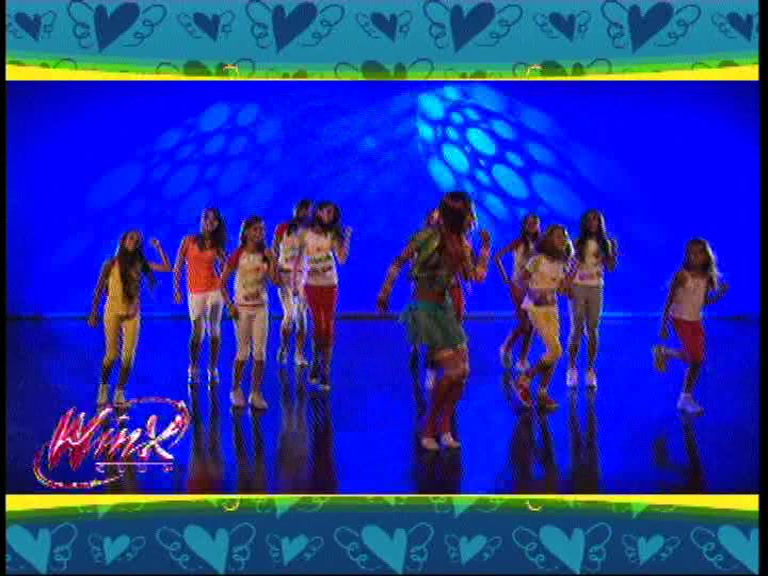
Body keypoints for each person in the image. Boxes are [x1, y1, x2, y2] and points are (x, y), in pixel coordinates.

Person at [378, 191, 491, 451]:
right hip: (425, 309)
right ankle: (429, 425)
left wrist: (485, 250)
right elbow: (399, 262)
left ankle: (445, 426)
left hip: (445, 309)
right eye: (469, 213)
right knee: (453, 371)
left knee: (463, 373)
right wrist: (385, 292)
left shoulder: (462, 244)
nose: (472, 219)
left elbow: (475, 276)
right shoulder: (426, 237)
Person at [89, 231, 171, 407]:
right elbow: (99, 289)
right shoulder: (111, 263)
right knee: (111, 355)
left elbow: (166, 267)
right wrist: (94, 312)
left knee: (128, 357)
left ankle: (120, 391)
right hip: (113, 312)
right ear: (124, 241)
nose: (134, 241)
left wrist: (159, 247)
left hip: (132, 314)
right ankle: (103, 387)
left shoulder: (139, 264)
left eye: (138, 240)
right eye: (131, 238)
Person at [653, 239, 728, 415]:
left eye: (699, 252)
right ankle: (685, 397)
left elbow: (703, 301)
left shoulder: (706, 277)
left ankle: (666, 355)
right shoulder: (682, 275)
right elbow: (669, 299)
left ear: (706, 255)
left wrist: (720, 294)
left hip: (695, 319)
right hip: (680, 318)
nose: (695, 257)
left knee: (698, 359)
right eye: (691, 253)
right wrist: (664, 324)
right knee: (696, 358)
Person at [513, 224, 574, 411]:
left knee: (554, 351)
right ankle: (525, 378)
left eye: (564, 236)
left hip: (552, 308)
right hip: (536, 308)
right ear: (549, 239)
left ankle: (542, 392)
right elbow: (520, 278)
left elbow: (562, 290)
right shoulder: (537, 260)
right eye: (558, 236)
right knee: (555, 350)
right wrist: (533, 292)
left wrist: (570, 278)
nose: (562, 239)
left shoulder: (562, 263)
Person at [293, 201, 352, 388]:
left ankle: (325, 368)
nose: (329, 216)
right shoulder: (304, 233)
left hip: (330, 283)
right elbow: (298, 260)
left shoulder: (332, 234)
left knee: (328, 324)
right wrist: (295, 283)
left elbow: (342, 259)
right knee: (318, 324)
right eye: (327, 212)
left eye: (332, 213)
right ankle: (317, 360)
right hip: (311, 284)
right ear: (318, 212)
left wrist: (346, 239)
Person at [221, 216, 276, 409]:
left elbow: (276, 281)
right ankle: (236, 389)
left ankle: (256, 393)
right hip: (242, 309)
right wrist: (230, 305)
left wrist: (273, 260)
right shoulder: (238, 255)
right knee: (243, 352)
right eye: (255, 229)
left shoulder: (266, 255)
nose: (259, 233)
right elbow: (222, 283)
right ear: (246, 232)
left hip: (261, 308)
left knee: (260, 352)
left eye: (262, 230)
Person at [173, 208, 228, 387]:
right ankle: (194, 368)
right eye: (206, 218)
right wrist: (177, 289)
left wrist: (224, 269)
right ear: (201, 220)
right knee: (198, 331)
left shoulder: (217, 244)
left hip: (214, 290)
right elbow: (178, 266)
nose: (209, 222)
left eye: (213, 220)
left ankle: (213, 368)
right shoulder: (189, 241)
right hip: (196, 291)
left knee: (214, 330)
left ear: (217, 224)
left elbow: (225, 265)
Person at [566, 210, 618, 389]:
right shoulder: (577, 242)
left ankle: (590, 369)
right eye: (589, 220)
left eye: (596, 220)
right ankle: (572, 368)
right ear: (585, 223)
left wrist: (611, 254)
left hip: (596, 287)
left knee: (593, 328)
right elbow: (570, 266)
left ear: (600, 223)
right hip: (578, 286)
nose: (593, 223)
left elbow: (611, 267)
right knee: (577, 328)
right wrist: (567, 285)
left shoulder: (607, 243)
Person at [495, 213, 541, 370]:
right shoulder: (519, 242)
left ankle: (522, 359)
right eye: (529, 223)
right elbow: (498, 257)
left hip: (535, 287)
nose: (532, 225)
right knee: (525, 323)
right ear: (525, 225)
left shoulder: (542, 244)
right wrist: (505, 277)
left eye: (535, 223)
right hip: (518, 286)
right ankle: (507, 347)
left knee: (533, 324)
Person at [273, 200, 313, 367]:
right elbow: (275, 250)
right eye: (303, 210)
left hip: (302, 277)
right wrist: (274, 271)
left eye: (308, 211)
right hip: (285, 275)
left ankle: (299, 354)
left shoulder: (311, 231)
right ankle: (283, 348)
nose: (305, 213)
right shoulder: (282, 228)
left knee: (302, 316)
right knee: (289, 314)